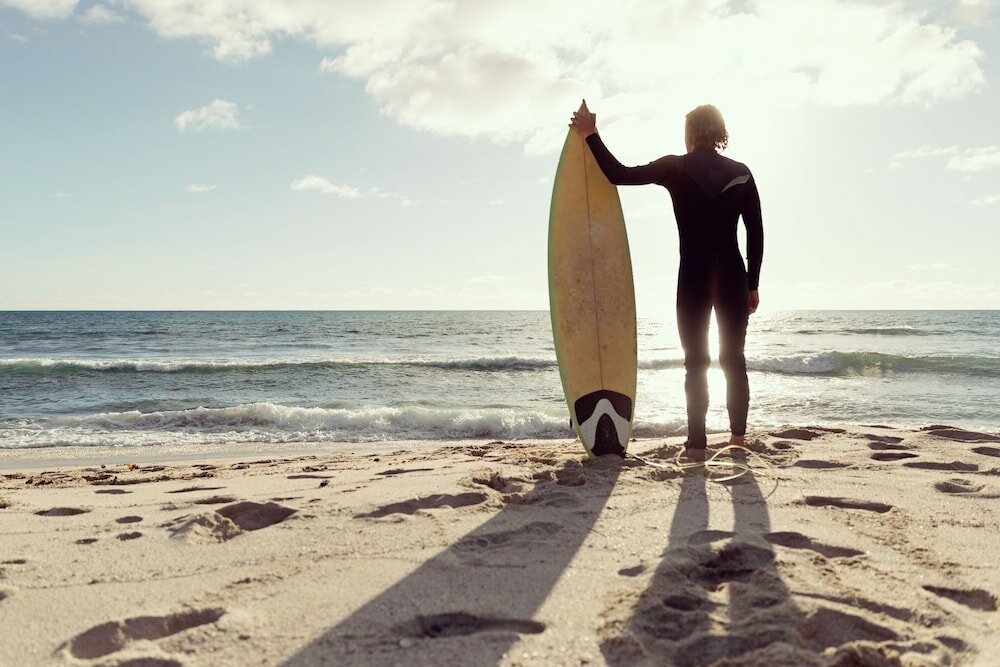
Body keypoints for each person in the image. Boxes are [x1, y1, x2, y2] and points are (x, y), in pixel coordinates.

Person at [569, 101, 763, 462]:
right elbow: (756, 233)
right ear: (719, 133)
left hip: (694, 276)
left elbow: (619, 174)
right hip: (733, 275)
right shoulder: (742, 173)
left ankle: (697, 446)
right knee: (733, 358)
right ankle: (737, 441)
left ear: (690, 133)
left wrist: (590, 134)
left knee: (696, 362)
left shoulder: (675, 167)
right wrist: (752, 284)